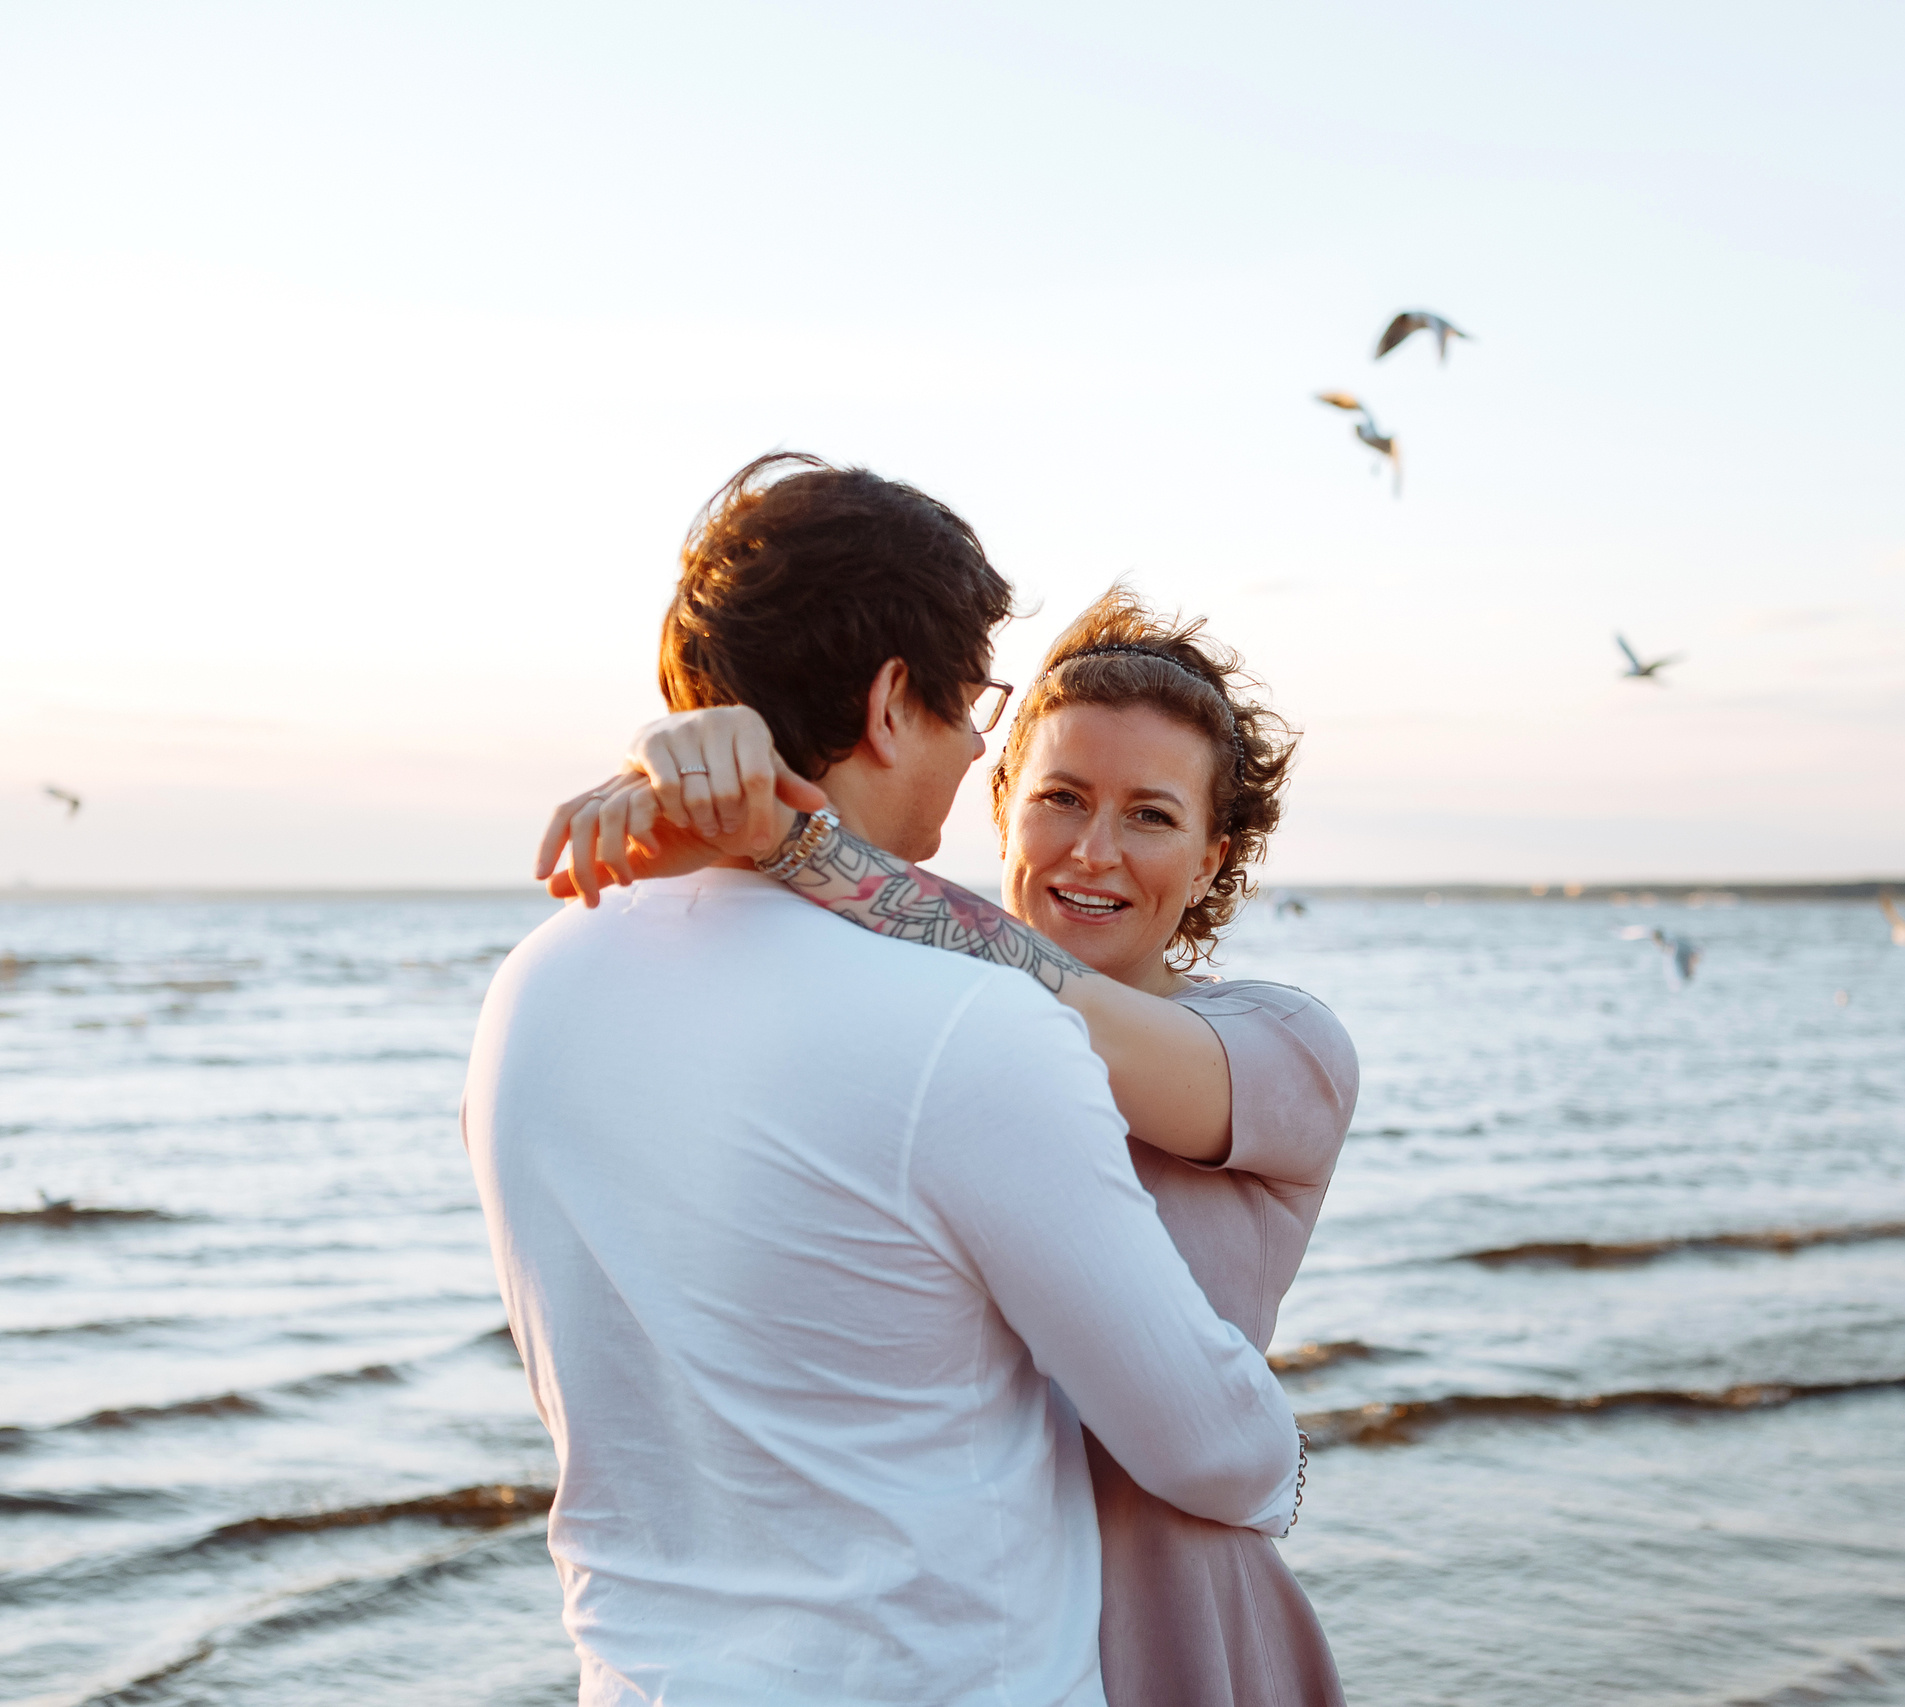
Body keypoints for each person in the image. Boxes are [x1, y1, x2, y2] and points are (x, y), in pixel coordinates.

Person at [466, 453, 1306, 1707]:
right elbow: (1212, 1446)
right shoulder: (970, 1026)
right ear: (893, 701)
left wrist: (740, 814)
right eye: (971, 705)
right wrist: (1285, 1463)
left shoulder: (533, 987)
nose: (973, 746)